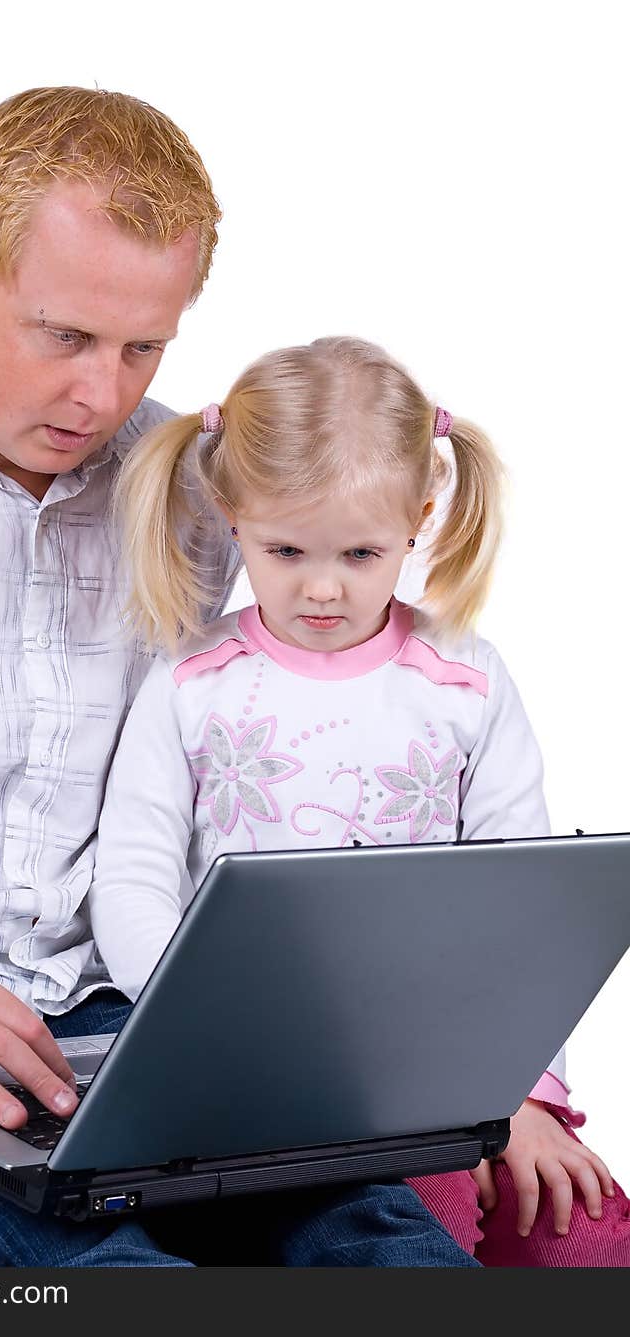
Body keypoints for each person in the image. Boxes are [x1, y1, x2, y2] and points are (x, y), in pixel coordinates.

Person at [0, 87, 478, 1267]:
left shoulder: (178, 477)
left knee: (380, 1247)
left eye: (144, 346)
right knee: (108, 1274)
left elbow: (292, 715)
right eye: (66, 337)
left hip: (106, 1021)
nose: (104, 395)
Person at [87, 335, 630, 1266]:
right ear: (231, 515)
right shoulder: (190, 683)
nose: (324, 586)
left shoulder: (464, 680)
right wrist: (202, 1017)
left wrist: (526, 1095)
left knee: (584, 1237)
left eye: (361, 551)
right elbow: (132, 880)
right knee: (415, 1238)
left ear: (419, 518)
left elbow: (523, 910)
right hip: (259, 1069)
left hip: (451, 1073)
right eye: (286, 549)